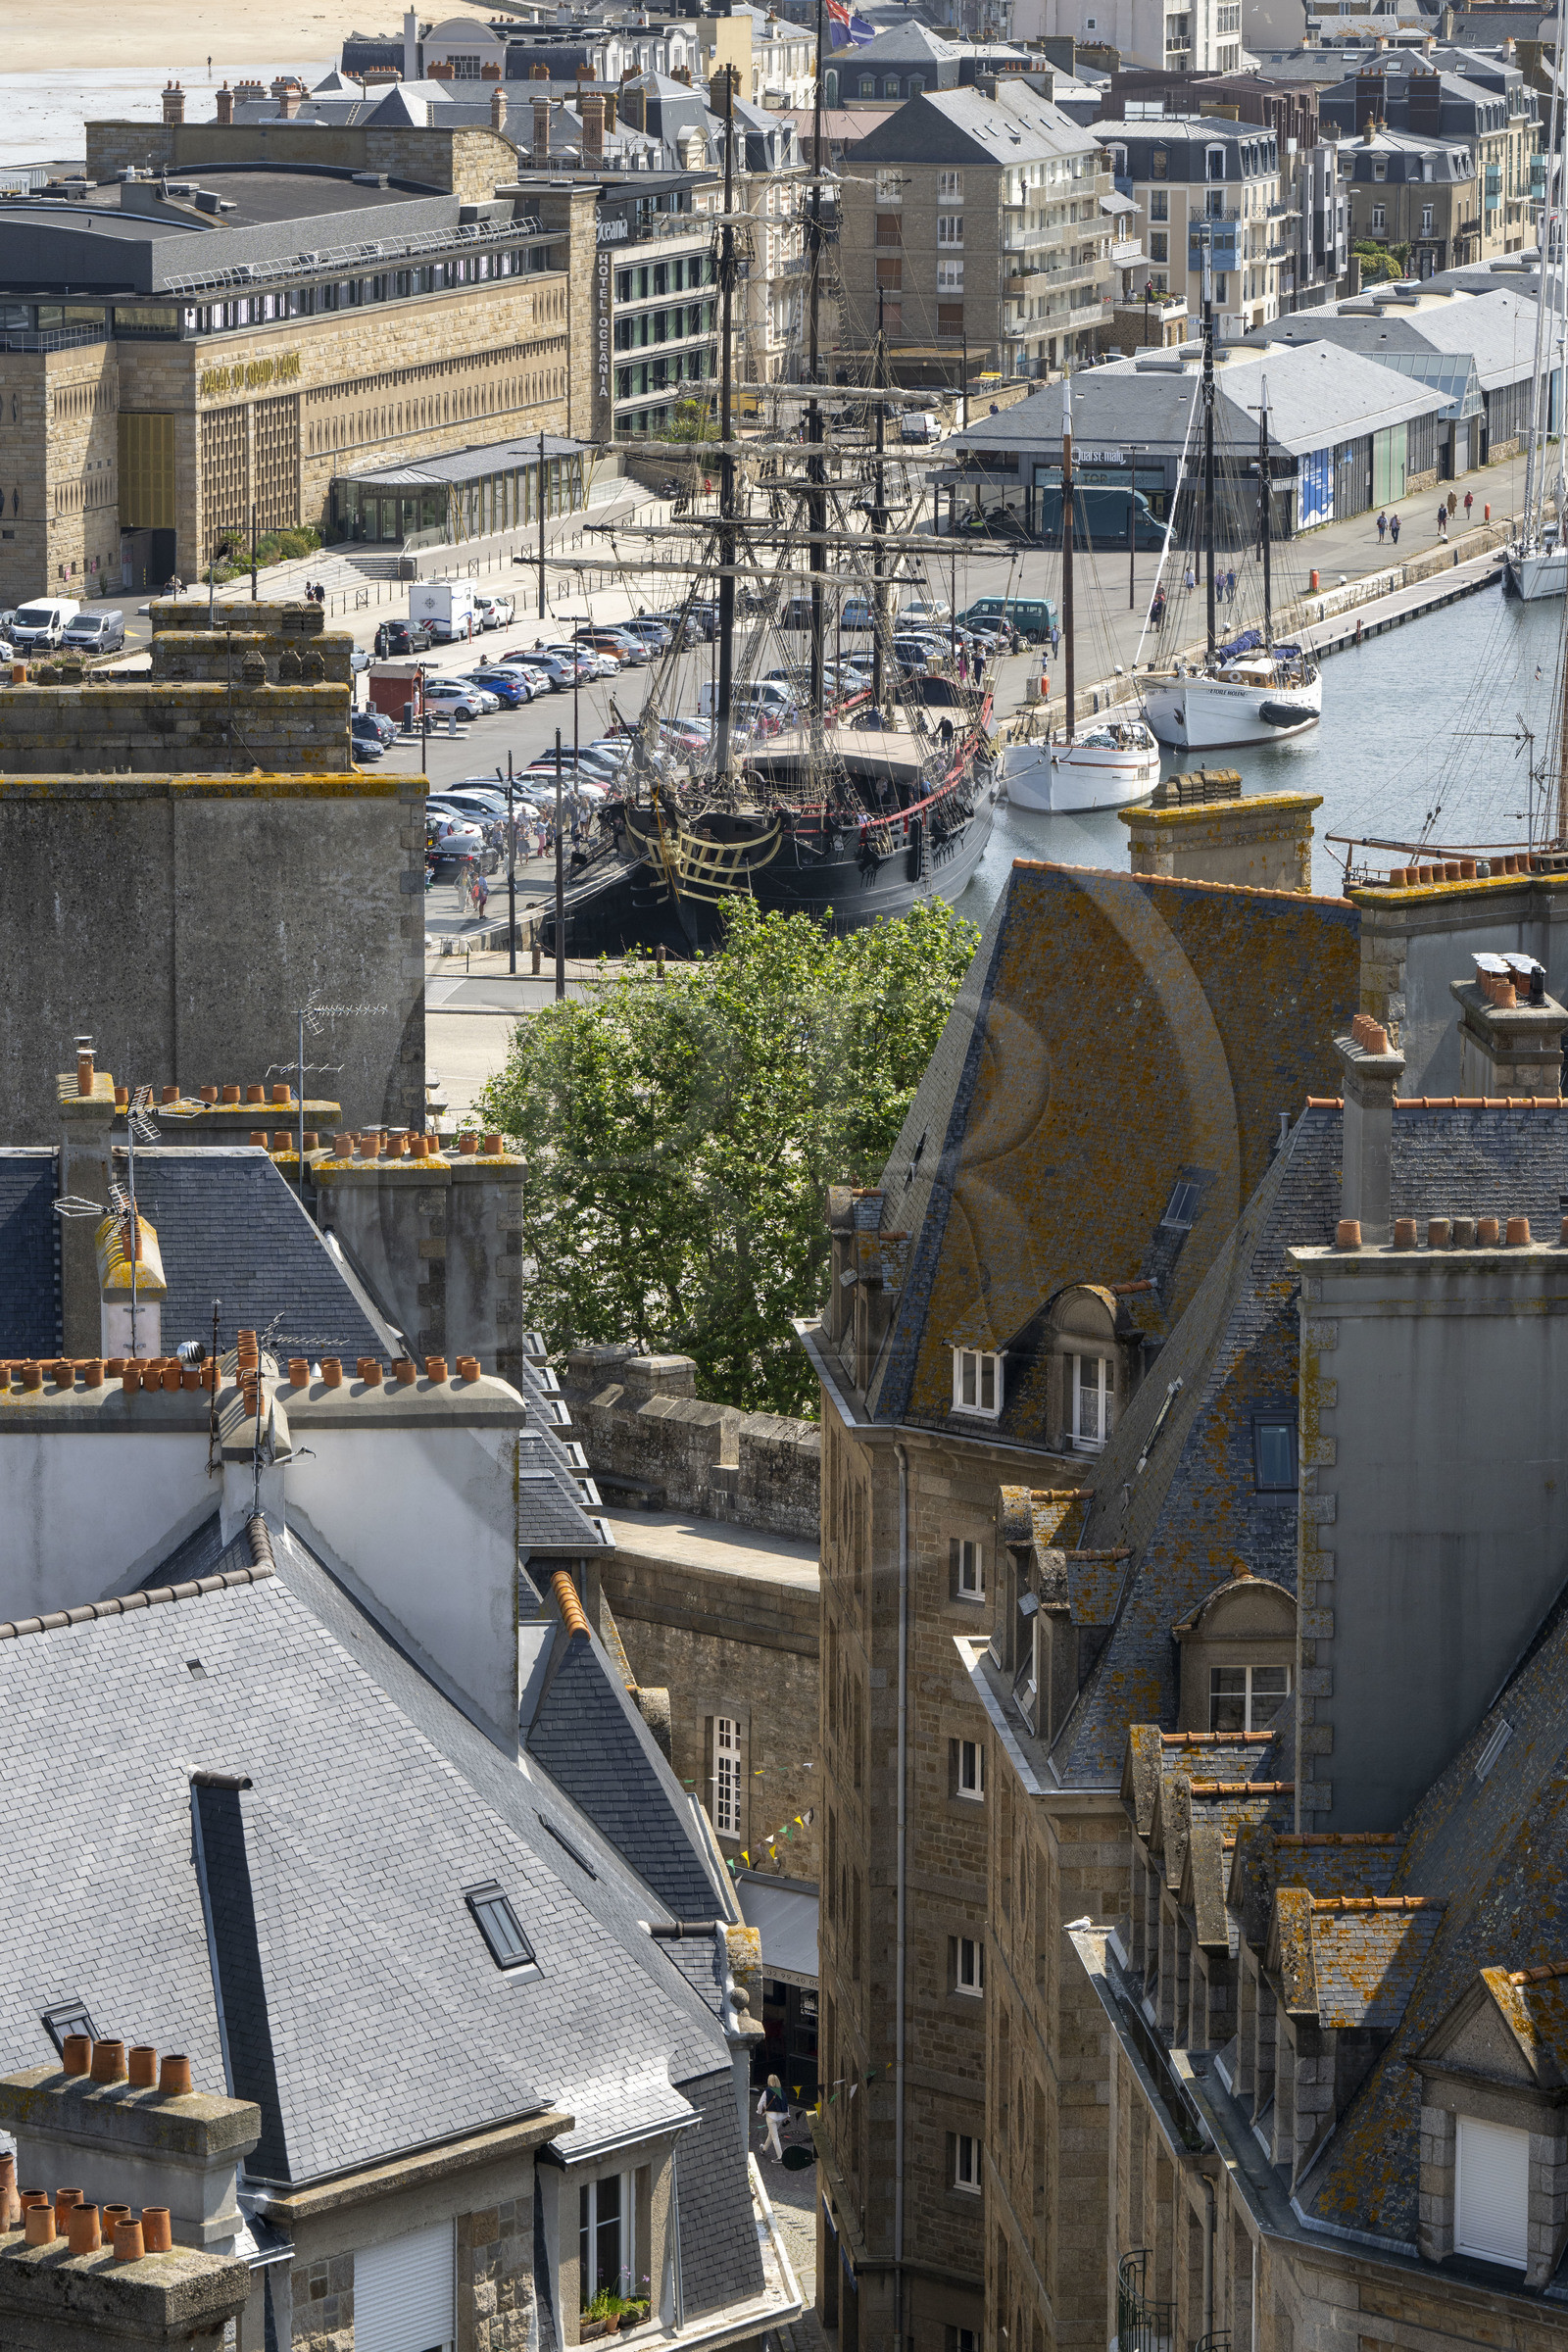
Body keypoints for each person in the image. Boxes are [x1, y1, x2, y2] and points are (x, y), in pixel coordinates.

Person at [756, 2076, 788, 2161]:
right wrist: (787, 2115)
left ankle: (780, 2157)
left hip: (771, 2117)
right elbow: (785, 2104)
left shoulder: (767, 2091)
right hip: (780, 2117)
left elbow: (760, 2104)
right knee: (772, 2133)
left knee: (775, 2137)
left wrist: (759, 2112)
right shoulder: (781, 2091)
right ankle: (764, 2149)